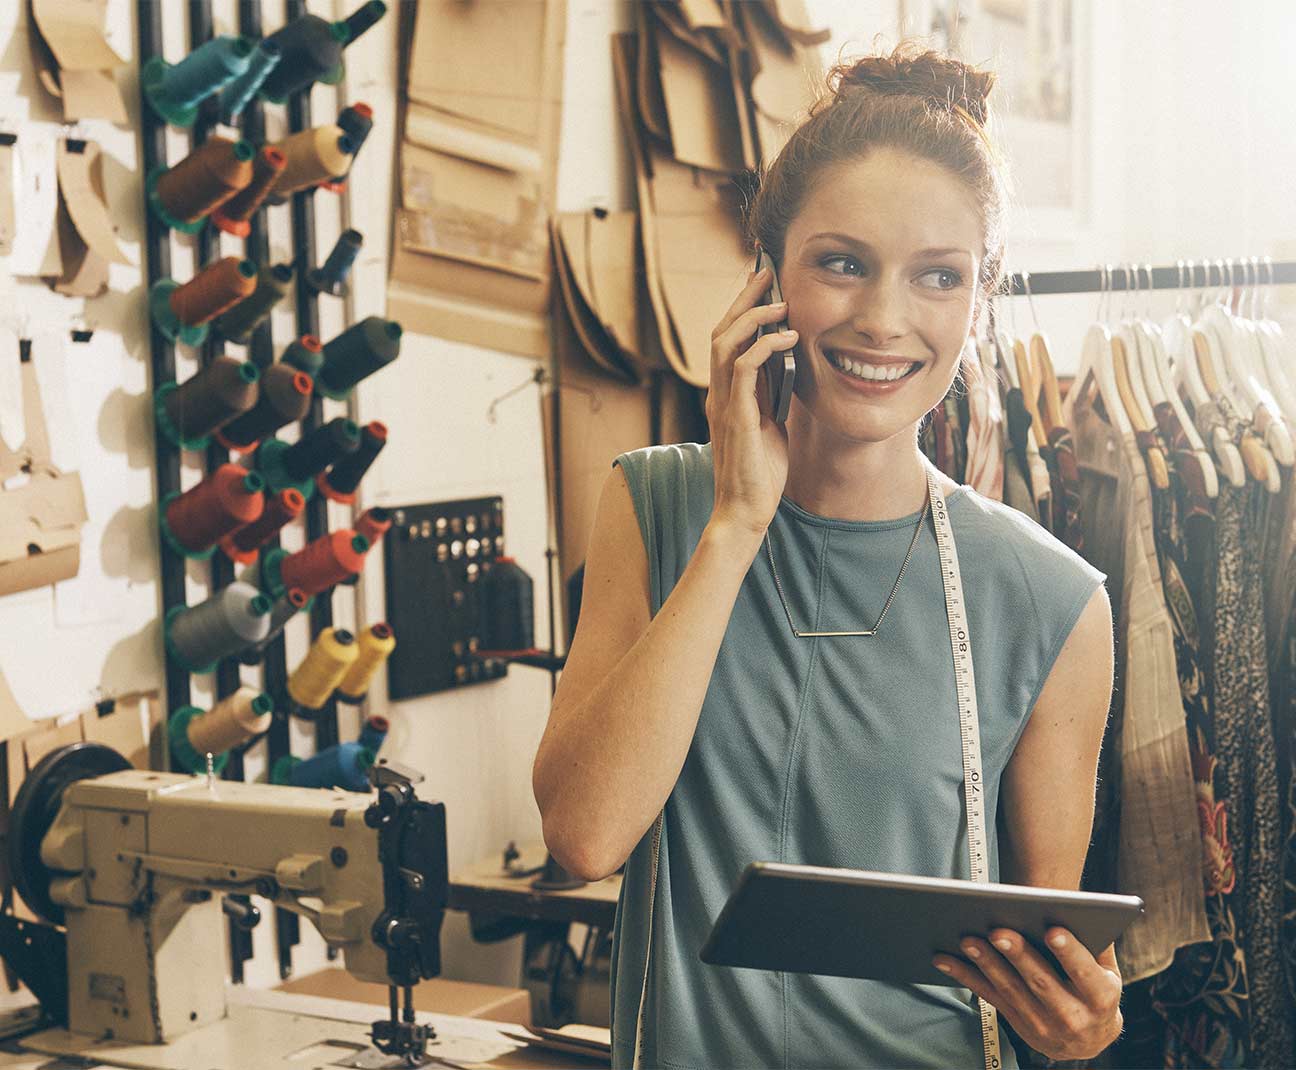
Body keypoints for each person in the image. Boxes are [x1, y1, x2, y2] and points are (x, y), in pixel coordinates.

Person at [533, 43, 1124, 1069]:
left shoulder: (1049, 598)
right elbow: (584, 837)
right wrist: (736, 525)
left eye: (936, 276)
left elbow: (1041, 979)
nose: (884, 320)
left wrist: (1076, 1030)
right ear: (766, 280)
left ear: (975, 307)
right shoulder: (660, 505)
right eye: (842, 262)